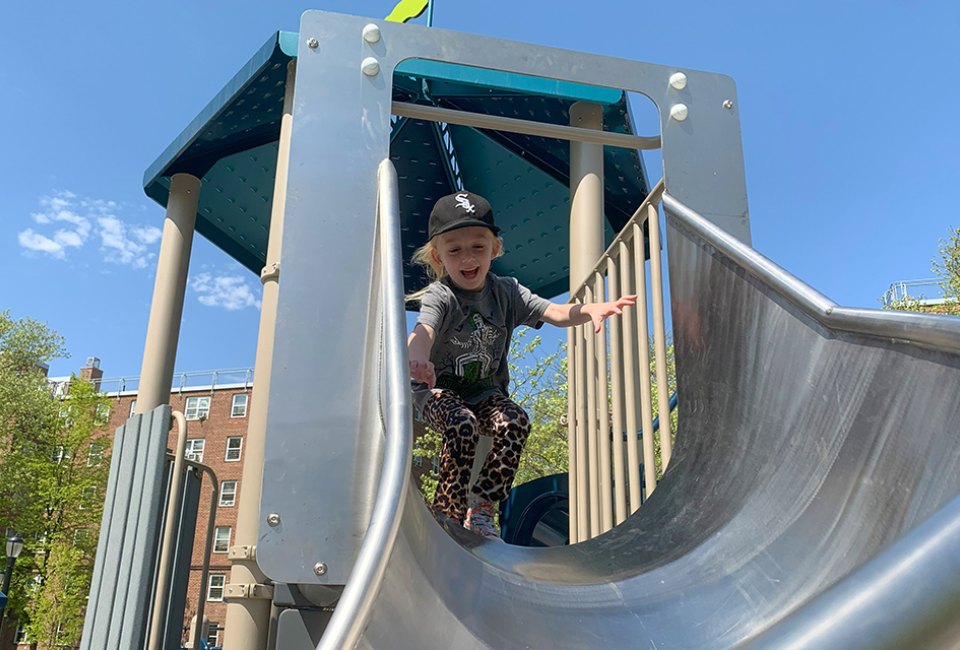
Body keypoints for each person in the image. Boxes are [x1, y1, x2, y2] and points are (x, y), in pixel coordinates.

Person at [408, 191, 637, 540]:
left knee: (514, 420)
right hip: (440, 391)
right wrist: (417, 358)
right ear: (439, 256)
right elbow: (425, 329)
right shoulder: (442, 295)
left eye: (478, 247)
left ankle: (483, 508)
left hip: (486, 392)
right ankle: (448, 510)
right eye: (454, 250)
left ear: (495, 249)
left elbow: (555, 312)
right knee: (462, 423)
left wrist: (587, 310)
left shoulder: (507, 292)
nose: (467, 258)